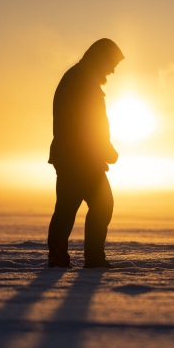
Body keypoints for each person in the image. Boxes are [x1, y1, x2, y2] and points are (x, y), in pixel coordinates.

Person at [47, 38, 124, 268]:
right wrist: (105, 150)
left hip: (81, 158)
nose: (111, 71)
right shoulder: (81, 81)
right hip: (77, 159)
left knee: (86, 206)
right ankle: (73, 256)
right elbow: (87, 125)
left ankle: (84, 256)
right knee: (75, 207)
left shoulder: (82, 79)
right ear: (100, 59)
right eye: (111, 64)